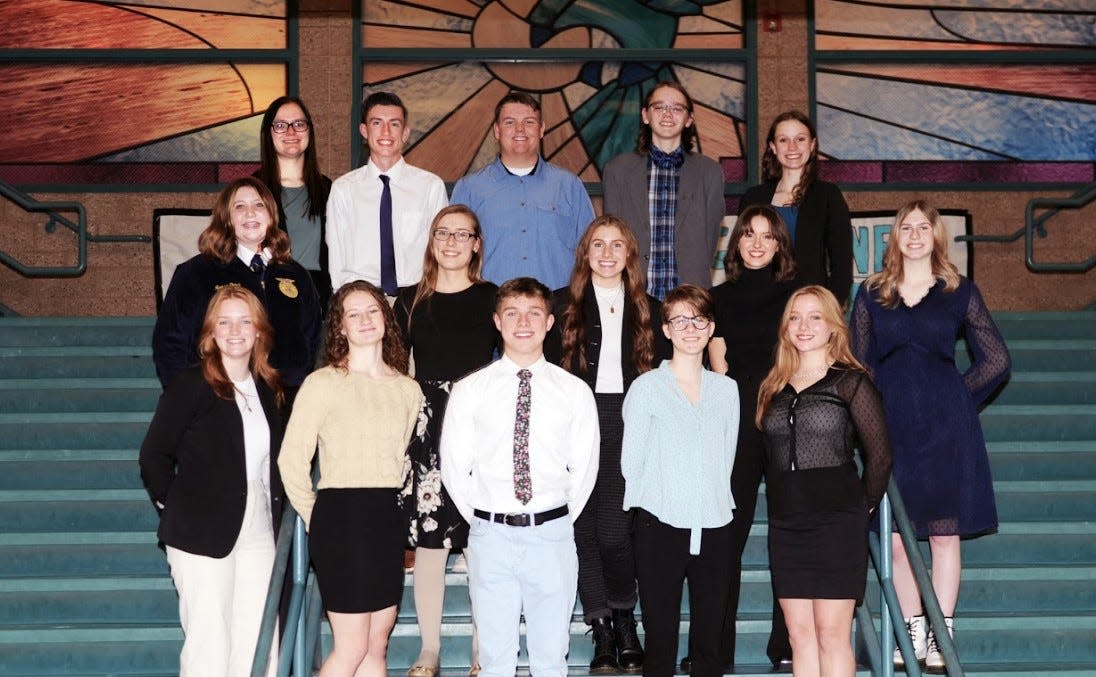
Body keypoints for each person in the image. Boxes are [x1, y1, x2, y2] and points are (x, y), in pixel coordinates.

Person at [851, 200, 1010, 671]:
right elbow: (859, 366)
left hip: (946, 430)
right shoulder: (872, 294)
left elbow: (997, 360)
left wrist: (958, 400)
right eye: (906, 226)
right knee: (898, 539)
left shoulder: (959, 292)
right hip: (891, 427)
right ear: (894, 237)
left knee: (944, 536)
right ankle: (913, 632)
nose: (915, 234)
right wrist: (870, 417)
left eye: (924, 226)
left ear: (937, 236)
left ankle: (942, 633)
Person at [440, 277, 600, 677]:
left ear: (550, 322)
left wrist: (552, 517)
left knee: (551, 658)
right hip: (490, 537)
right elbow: (455, 466)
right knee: (495, 659)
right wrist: (487, 515)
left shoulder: (574, 391)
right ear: (497, 321)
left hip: (552, 534)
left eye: (533, 313)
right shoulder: (470, 389)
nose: (522, 322)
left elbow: (584, 469)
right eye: (512, 313)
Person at [544, 215, 670, 674]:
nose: (607, 253)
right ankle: (601, 627)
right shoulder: (561, 305)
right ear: (585, 253)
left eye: (617, 245)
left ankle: (624, 614)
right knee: (582, 529)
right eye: (598, 244)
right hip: (575, 422)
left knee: (614, 531)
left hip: (630, 422)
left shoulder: (652, 310)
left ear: (630, 255)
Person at [278, 281, 424, 677]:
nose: (364, 320)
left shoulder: (408, 390)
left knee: (377, 641)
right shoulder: (322, 383)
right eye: (353, 314)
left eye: (372, 311)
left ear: (385, 319)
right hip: (340, 515)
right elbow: (291, 460)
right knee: (352, 644)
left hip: (386, 516)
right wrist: (316, 517)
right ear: (340, 327)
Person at [139, 285, 285, 677]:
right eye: (224, 321)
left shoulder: (269, 389)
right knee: (209, 643)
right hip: (199, 534)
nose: (235, 330)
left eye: (245, 321)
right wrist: (176, 505)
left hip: (258, 532)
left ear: (259, 331)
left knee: (259, 642)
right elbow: (153, 455)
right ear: (211, 332)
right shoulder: (190, 384)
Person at [756, 286, 892, 677]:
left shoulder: (851, 383)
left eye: (815, 317)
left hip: (837, 523)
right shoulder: (773, 388)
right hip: (786, 524)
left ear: (833, 326)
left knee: (832, 634)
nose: (804, 326)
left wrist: (860, 506)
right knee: (799, 637)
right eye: (795, 317)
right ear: (785, 328)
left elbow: (880, 455)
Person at [393, 205, 499, 677]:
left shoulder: (493, 298)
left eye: (463, 234)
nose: (452, 242)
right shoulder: (409, 299)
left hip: (480, 421)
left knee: (482, 542)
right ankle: (430, 650)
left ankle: (485, 650)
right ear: (431, 240)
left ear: (477, 244)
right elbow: (394, 373)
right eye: (443, 233)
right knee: (432, 543)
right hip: (428, 423)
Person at [621, 284, 739, 677]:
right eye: (680, 320)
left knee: (709, 642)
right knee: (660, 639)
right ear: (666, 330)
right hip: (659, 523)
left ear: (711, 329)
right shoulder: (646, 388)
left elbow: (727, 455)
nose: (690, 328)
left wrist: (710, 499)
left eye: (699, 319)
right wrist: (647, 509)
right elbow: (631, 461)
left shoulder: (727, 391)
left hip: (715, 524)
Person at [707, 204, 800, 670]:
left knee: (789, 535)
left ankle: (787, 645)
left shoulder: (797, 296)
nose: (758, 243)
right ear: (737, 243)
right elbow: (718, 367)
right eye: (749, 235)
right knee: (726, 539)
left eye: (768, 235)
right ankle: (715, 650)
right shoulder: (718, 298)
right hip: (738, 422)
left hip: (788, 420)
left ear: (780, 244)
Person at [153, 176, 321, 403]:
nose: (250, 213)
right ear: (227, 219)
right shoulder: (196, 273)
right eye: (239, 206)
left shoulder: (297, 275)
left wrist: (297, 388)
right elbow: (170, 345)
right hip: (219, 403)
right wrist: (187, 402)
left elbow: (311, 340)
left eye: (259, 205)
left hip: (284, 404)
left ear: (271, 216)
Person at [451, 92, 595, 291]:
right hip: (489, 309)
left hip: (557, 309)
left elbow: (590, 253)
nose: (520, 129)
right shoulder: (469, 188)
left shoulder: (570, 186)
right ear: (497, 130)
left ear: (541, 129)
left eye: (529, 122)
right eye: (509, 122)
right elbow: (453, 255)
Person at [602, 81, 725, 299]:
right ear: (645, 115)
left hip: (690, 297)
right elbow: (614, 236)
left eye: (677, 108)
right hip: (633, 295)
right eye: (659, 107)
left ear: (689, 120)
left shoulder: (710, 172)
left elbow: (710, 238)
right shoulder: (617, 171)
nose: (667, 114)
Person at [326, 91, 448, 295]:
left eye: (394, 124)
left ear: (405, 133)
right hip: (362, 299)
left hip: (416, 298)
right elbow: (336, 255)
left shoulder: (430, 187)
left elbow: (440, 251)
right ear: (364, 130)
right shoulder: (343, 189)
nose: (386, 132)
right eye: (377, 123)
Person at [738, 110, 853, 309]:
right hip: (759, 304)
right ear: (773, 147)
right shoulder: (753, 197)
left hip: (810, 307)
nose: (792, 147)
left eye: (800, 139)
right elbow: (739, 255)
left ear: (813, 144)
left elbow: (841, 264)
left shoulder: (828, 196)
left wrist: (830, 308)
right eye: (783, 140)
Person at [255, 95, 333, 312]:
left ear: (309, 131)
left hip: (318, 300)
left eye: (299, 124)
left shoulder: (328, 189)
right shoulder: (252, 189)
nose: (291, 132)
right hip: (266, 299)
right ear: (268, 133)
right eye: (281, 125)